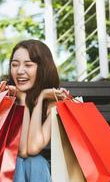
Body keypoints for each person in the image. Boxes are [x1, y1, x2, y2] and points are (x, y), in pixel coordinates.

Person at [7, 39, 67, 182]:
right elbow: (21, 150)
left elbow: (32, 148)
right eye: (15, 65)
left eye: (28, 65)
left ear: (43, 68)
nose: (20, 71)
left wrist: (40, 99)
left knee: (36, 162)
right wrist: (22, 101)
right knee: (19, 161)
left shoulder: (52, 103)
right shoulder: (5, 96)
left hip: (32, 170)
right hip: (2, 171)